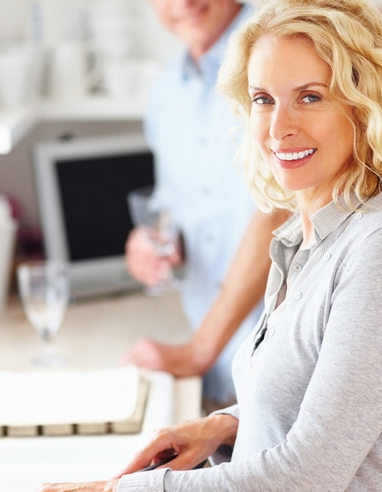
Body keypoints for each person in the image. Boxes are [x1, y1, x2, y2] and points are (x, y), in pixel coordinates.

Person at [0, 0, 382, 492]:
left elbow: (306, 477)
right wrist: (224, 427)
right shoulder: (305, 234)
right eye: (263, 99)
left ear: (365, 105)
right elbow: (320, 398)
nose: (279, 126)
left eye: (310, 96)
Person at [120, 0, 288, 410]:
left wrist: (197, 350)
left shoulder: (279, 54)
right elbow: (173, 208)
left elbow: (281, 209)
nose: (183, 3)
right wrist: (148, 246)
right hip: (213, 378)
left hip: (282, 369)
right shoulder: (166, 93)